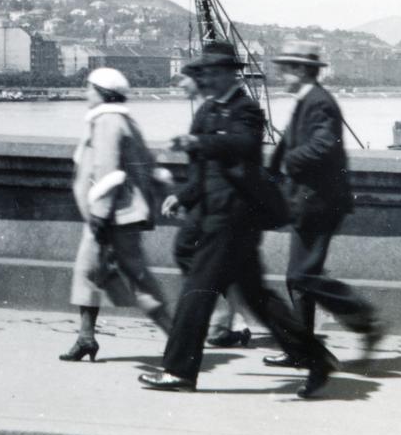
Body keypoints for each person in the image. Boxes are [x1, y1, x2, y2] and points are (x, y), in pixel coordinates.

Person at [139, 40, 337, 397]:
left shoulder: (246, 109)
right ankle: (316, 359)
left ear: (232, 74)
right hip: (216, 215)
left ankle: (178, 371)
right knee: (258, 298)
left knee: (197, 292)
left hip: (233, 216)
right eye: (206, 73)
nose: (209, 79)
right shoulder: (207, 110)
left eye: (216, 72)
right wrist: (184, 195)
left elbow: (245, 145)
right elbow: (203, 171)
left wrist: (199, 143)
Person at [264, 39, 385, 367]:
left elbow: (323, 145)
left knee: (302, 276)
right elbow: (288, 142)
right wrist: (271, 171)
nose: (281, 75)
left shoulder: (320, 102)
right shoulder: (306, 101)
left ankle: (366, 321)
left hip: (319, 202)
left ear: (302, 70)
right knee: (300, 276)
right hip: (307, 201)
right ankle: (302, 351)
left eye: (286, 69)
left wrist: (288, 162)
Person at [61, 67, 175, 361]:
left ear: (102, 93)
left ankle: (180, 342)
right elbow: (147, 164)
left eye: (89, 88)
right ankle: (86, 337)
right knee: (88, 272)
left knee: (138, 281)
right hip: (113, 214)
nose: (86, 93)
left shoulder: (107, 121)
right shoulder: (122, 120)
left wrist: (100, 215)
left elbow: (108, 172)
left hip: (113, 215)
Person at [170, 72, 251, 348]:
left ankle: (221, 316)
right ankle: (235, 321)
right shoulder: (210, 107)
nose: (180, 83)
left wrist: (183, 196)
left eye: (185, 78)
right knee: (222, 262)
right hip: (216, 198)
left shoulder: (213, 109)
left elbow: (210, 164)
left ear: (201, 80)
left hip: (217, 201)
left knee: (187, 251)